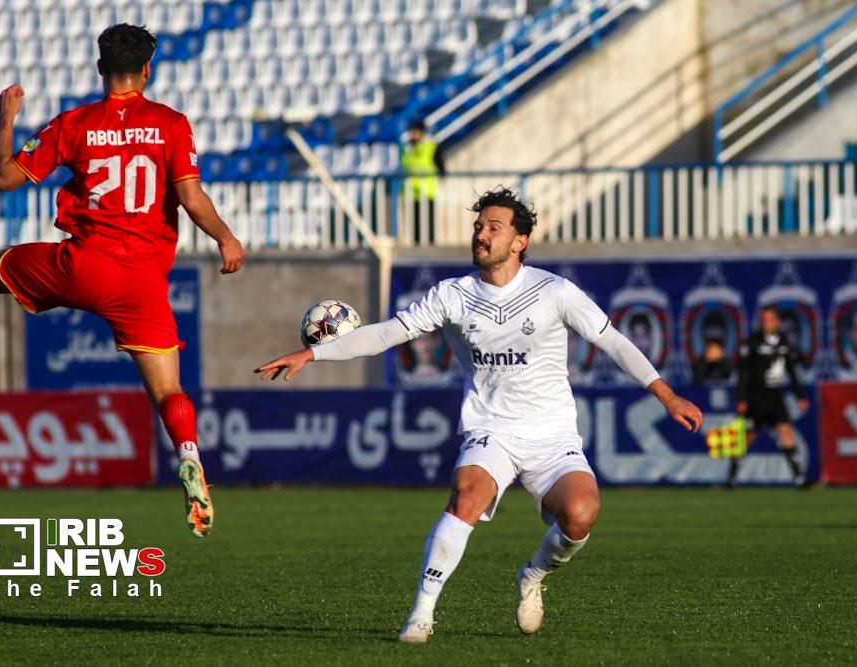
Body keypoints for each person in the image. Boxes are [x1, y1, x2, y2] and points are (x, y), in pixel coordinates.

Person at [255, 187, 702, 642]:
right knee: (466, 497)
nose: (481, 235)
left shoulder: (555, 292)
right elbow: (386, 334)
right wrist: (313, 353)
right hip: (491, 429)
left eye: (493, 227)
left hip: (552, 435)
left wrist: (667, 396)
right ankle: (421, 614)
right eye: (478, 226)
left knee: (580, 516)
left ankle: (532, 575)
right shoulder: (452, 295)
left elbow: (615, 343)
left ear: (520, 241)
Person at [0, 25, 246, 539]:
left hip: (83, 265)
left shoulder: (75, 123)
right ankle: (189, 457)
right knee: (168, 390)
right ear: (147, 70)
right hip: (142, 282)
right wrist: (226, 238)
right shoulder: (171, 124)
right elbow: (191, 197)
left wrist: (7, 119)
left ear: (99, 68)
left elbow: (5, 178)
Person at [731, 307, 809, 488]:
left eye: (770, 319)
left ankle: (799, 478)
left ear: (777, 322)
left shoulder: (784, 343)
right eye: (763, 320)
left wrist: (800, 396)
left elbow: (792, 372)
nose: (766, 323)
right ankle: (732, 477)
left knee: (786, 432)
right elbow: (743, 373)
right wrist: (741, 398)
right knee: (747, 437)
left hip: (775, 397)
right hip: (755, 397)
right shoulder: (752, 342)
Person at [400, 120, 445, 244]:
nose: (413, 134)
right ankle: (417, 244)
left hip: (426, 190)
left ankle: (430, 244)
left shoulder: (431, 146)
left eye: (416, 131)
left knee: (428, 221)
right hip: (411, 191)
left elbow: (441, 167)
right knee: (415, 222)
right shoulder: (406, 147)